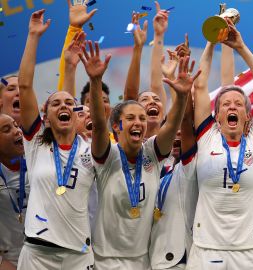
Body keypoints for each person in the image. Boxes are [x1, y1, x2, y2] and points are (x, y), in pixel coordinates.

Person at [79, 36, 200, 268]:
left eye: (142, 118)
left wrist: (183, 95)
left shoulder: (151, 154)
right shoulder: (107, 155)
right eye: (131, 118)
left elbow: (172, 124)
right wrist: (95, 82)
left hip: (143, 261)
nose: (139, 122)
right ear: (117, 126)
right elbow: (98, 121)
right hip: (105, 262)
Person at [187, 16, 253, 270]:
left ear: (248, 114)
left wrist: (241, 48)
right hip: (206, 248)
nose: (232, 106)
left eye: (239, 104)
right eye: (226, 104)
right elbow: (200, 85)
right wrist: (211, 42)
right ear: (216, 115)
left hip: (247, 251)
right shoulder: (207, 136)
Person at [17, 9, 96, 269]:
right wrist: (32, 36)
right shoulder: (37, 142)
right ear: (45, 117)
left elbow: (68, 104)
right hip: (37, 256)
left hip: (78, 256)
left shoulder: (90, 149)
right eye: (55, 104)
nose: (63, 107)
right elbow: (25, 86)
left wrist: (72, 68)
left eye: (68, 104)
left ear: (78, 114)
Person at [149, 89, 198, 270]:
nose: (178, 133)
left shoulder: (192, 168)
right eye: (171, 129)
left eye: (181, 131)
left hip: (181, 259)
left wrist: (184, 94)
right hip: (153, 256)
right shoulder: (154, 168)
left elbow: (186, 122)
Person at [0, 113, 29, 269]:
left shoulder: (36, 166)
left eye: (16, 126)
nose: (17, 131)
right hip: (10, 260)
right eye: (6, 129)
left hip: (42, 257)